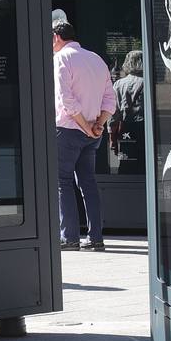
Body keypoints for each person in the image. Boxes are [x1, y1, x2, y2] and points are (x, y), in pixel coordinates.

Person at [52, 19, 116, 251]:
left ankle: (69, 238)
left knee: (63, 183)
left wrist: (85, 125)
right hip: (92, 134)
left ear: (56, 37)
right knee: (88, 183)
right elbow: (111, 100)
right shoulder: (96, 59)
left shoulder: (61, 59)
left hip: (67, 130)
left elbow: (65, 100)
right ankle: (96, 238)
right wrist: (97, 124)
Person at [109, 50, 146, 174]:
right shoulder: (148, 82)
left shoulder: (119, 84)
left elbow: (113, 114)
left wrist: (112, 137)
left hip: (127, 127)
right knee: (144, 162)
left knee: (127, 162)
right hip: (144, 128)